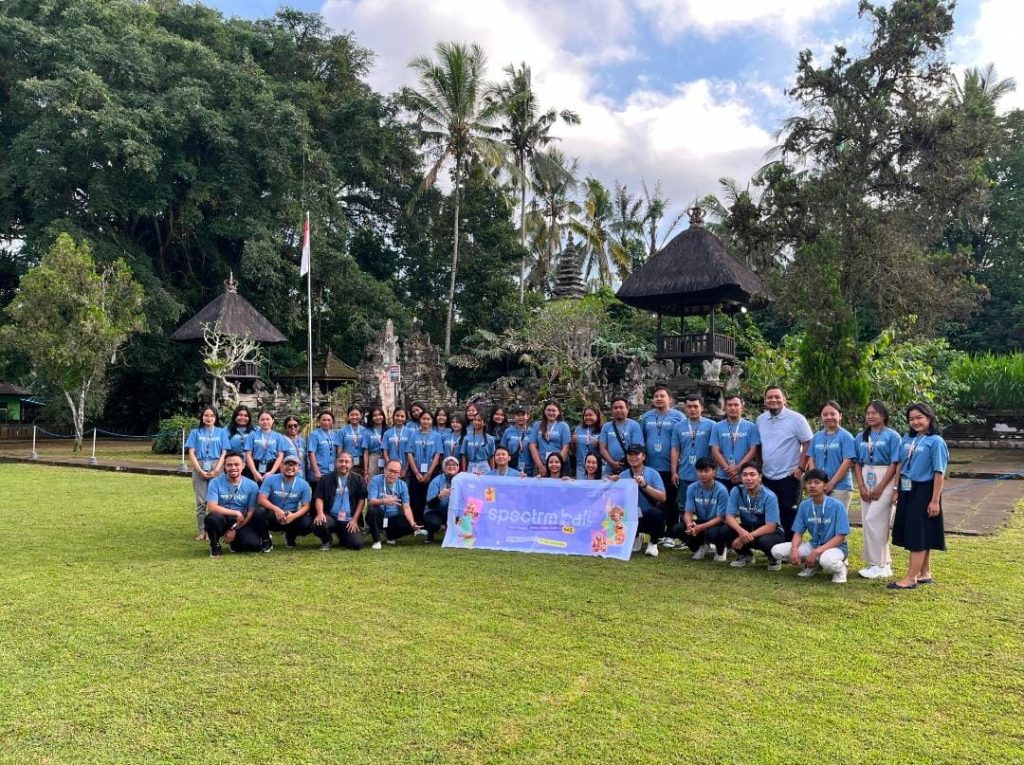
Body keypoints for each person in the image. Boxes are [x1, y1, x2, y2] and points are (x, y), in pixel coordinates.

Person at [889, 402, 949, 591]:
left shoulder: (936, 442)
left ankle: (910, 578)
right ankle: (924, 573)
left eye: (919, 418)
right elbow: (901, 465)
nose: (915, 422)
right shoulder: (907, 438)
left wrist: (934, 500)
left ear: (929, 418)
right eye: (911, 419)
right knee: (918, 530)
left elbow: (939, 472)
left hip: (925, 490)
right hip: (907, 488)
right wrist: (896, 488)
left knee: (918, 532)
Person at [770, 469, 850, 583]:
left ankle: (841, 569)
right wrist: (794, 549)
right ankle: (812, 565)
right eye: (809, 482)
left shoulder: (837, 506)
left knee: (827, 561)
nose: (812, 486)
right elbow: (798, 532)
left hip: (835, 548)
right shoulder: (804, 505)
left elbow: (840, 537)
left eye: (817, 482)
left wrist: (816, 552)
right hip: (814, 545)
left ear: (825, 486)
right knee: (776, 551)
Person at [853, 400, 902, 579]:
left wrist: (883, 486)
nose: (871, 416)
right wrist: (861, 486)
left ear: (884, 415)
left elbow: (895, 463)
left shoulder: (892, 436)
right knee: (868, 520)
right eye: (868, 413)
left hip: (885, 476)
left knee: (877, 520)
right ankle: (881, 563)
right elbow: (856, 463)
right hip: (866, 475)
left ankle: (879, 564)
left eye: (875, 413)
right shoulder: (861, 437)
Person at [756, 386, 813, 535]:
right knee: (770, 513)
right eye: (770, 397)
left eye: (777, 397)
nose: (773, 400)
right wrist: (759, 468)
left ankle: (790, 547)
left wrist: (801, 468)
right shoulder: (760, 420)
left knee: (790, 514)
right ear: (765, 401)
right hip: (768, 476)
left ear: (784, 400)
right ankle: (774, 547)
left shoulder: (797, 419)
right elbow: (760, 446)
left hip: (789, 476)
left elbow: (808, 442)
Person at [707, 462, 784, 569]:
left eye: (752, 474)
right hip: (747, 528)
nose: (748, 478)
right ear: (741, 477)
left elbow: (771, 526)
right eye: (745, 475)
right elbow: (729, 516)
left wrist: (746, 537)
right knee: (725, 530)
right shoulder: (736, 491)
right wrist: (740, 531)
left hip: (769, 532)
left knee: (765, 542)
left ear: (760, 477)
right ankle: (746, 555)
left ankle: (773, 558)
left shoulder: (769, 496)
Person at [670, 394, 715, 536]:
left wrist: (714, 471)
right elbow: (675, 449)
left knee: (707, 507)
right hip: (685, 473)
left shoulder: (711, 425)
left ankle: (708, 536)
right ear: (685, 408)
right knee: (684, 507)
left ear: (702, 407)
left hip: (705, 475)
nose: (692, 409)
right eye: (689, 407)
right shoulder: (679, 426)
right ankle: (688, 534)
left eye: (695, 406)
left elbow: (714, 450)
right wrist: (673, 471)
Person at [204, 452, 264, 557]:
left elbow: (250, 512)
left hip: (240, 521)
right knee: (212, 518)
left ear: (243, 466)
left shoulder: (252, 485)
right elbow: (212, 507)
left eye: (237, 464)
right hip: (221, 518)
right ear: (224, 466)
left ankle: (235, 543)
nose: (233, 468)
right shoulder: (215, 482)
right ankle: (215, 545)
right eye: (229, 465)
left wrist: (234, 529)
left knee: (253, 545)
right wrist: (235, 512)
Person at [669, 457, 728, 561]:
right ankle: (701, 546)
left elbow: (721, 518)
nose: (703, 474)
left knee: (713, 532)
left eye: (706, 471)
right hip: (701, 521)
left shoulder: (721, 490)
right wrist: (689, 524)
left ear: (714, 472)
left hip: (717, 523)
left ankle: (722, 549)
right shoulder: (692, 487)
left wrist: (700, 527)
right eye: (700, 471)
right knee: (678, 529)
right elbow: (688, 512)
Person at [185, 405, 230, 541]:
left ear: (216, 418)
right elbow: (191, 452)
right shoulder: (195, 432)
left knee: (219, 500)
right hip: (200, 464)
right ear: (202, 417)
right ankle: (202, 531)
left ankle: (217, 530)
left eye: (212, 415)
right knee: (201, 502)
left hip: (217, 465)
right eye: (206, 415)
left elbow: (224, 451)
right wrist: (199, 469)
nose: (209, 418)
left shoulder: (221, 432)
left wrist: (217, 468)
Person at [312, 451, 368, 551]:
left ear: (351, 464)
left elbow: (361, 500)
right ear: (336, 462)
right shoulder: (325, 479)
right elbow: (318, 497)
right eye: (341, 461)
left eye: (347, 462)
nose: (343, 464)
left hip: (349, 519)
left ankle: (342, 536)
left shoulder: (358, 479)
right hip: (331, 517)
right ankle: (327, 540)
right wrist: (320, 513)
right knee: (319, 523)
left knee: (356, 545)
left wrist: (355, 519)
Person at [258, 454, 315, 549]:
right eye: (287, 464)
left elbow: (306, 506)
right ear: (281, 466)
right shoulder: (270, 479)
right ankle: (266, 540)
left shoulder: (304, 484)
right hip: (273, 514)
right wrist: (276, 509)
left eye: (293, 465)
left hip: (291, 514)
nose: (290, 467)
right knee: (259, 512)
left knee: (308, 522)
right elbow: (261, 499)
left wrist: (293, 516)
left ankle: (290, 536)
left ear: (298, 468)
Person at [806, 401, 857, 508]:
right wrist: (815, 482)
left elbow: (847, 462)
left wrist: (831, 483)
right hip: (819, 487)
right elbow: (811, 459)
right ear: (821, 417)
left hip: (840, 487)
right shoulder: (817, 437)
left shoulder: (846, 437)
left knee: (835, 520)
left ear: (840, 415)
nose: (829, 417)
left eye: (832, 414)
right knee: (819, 520)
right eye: (825, 414)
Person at [640, 386, 683, 509]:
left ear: (670, 399)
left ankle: (671, 527)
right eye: (656, 396)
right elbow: (642, 439)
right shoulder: (646, 417)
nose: (658, 398)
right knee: (652, 501)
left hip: (670, 467)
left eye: (662, 396)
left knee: (671, 501)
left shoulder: (679, 416)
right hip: (651, 466)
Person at [366, 459, 423, 549]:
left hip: (392, 518)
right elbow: (371, 501)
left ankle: (390, 536)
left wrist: (412, 524)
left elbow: (406, 507)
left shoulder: (403, 485)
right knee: (372, 509)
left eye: (396, 472)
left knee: (409, 525)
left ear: (400, 474)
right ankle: (376, 540)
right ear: (385, 470)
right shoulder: (376, 480)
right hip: (378, 516)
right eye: (390, 470)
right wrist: (384, 501)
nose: (392, 474)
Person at [621, 445, 666, 558]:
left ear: (643, 456)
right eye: (630, 455)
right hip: (631, 516)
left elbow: (662, 497)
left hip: (648, 516)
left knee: (655, 513)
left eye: (636, 454)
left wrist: (645, 485)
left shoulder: (653, 473)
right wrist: (611, 482)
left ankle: (653, 543)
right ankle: (635, 537)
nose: (633, 457)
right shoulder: (623, 475)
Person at [710, 394, 760, 489]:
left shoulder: (751, 427)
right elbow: (715, 450)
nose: (733, 408)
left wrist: (738, 468)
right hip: (722, 475)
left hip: (744, 475)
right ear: (725, 407)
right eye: (729, 405)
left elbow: (753, 450)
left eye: (736, 405)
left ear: (742, 407)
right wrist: (728, 470)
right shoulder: (717, 427)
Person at [406, 409, 443, 522]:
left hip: (431, 472)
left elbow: (437, 455)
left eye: (428, 419)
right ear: (420, 420)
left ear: (432, 421)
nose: (425, 421)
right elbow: (409, 453)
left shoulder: (436, 436)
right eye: (423, 419)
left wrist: (429, 473)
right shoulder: (413, 434)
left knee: (428, 496)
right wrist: (416, 472)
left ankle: (427, 520)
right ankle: (416, 522)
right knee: (415, 497)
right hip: (416, 471)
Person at [599, 398, 644, 477]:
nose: (618, 410)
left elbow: (637, 448)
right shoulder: (606, 427)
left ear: (627, 409)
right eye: (615, 408)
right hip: (610, 469)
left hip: (630, 469)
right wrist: (612, 463)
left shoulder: (634, 426)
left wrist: (627, 461)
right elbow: (602, 448)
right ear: (612, 410)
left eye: (621, 407)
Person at [529, 401, 571, 477]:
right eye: (548, 410)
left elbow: (566, 447)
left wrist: (557, 464)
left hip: (560, 466)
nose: (551, 413)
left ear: (558, 412)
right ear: (544, 411)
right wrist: (540, 466)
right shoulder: (537, 425)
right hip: (542, 464)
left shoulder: (563, 426)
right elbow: (532, 446)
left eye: (554, 410)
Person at [244, 410, 287, 484]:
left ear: (272, 420)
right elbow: (248, 455)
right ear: (258, 421)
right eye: (262, 419)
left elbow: (280, 456)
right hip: (255, 466)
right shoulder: (252, 435)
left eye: (268, 419)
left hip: (272, 466)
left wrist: (272, 472)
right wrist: (254, 472)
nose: (265, 422)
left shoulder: (278, 436)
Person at [425, 456, 460, 542]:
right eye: (448, 465)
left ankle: (456, 535)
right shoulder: (436, 481)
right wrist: (440, 496)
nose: (451, 466)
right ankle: (430, 535)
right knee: (433, 523)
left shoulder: (461, 480)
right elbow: (430, 504)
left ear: (458, 467)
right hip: (437, 511)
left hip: (455, 512)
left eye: (454, 464)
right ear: (444, 468)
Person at [307, 410, 338, 483]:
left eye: (328, 420)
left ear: (332, 421)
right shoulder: (314, 435)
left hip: (332, 472)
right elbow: (311, 454)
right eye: (323, 420)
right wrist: (316, 471)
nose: (326, 422)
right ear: (319, 421)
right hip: (319, 473)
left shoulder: (334, 435)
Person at [572, 405, 602, 479]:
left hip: (596, 467)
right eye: (585, 415)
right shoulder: (578, 429)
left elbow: (607, 448)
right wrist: (573, 442)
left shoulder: (602, 429)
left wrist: (598, 444)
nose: (588, 417)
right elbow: (573, 450)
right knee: (582, 489)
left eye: (590, 415)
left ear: (597, 416)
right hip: (581, 466)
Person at [501, 406, 532, 475]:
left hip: (529, 470)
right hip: (512, 469)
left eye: (523, 415)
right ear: (514, 417)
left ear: (528, 416)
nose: (521, 417)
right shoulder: (508, 431)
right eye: (518, 415)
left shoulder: (532, 432)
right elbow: (502, 449)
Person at [337, 405, 366, 472]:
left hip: (362, 461)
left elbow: (366, 450)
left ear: (361, 416)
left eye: (357, 415)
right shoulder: (342, 431)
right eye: (352, 415)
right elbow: (339, 450)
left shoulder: (365, 430)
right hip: (347, 462)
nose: (354, 417)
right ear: (348, 416)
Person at [383, 408, 411, 477]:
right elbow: (385, 451)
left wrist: (405, 469)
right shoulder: (387, 433)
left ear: (406, 418)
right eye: (397, 415)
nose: (399, 418)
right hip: (391, 467)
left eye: (402, 416)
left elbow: (411, 453)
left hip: (405, 466)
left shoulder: (410, 432)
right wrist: (389, 466)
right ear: (393, 416)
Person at [364, 407, 388, 480]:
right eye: (375, 415)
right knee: (372, 480)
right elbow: (366, 452)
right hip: (373, 458)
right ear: (371, 417)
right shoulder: (367, 432)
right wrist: (365, 470)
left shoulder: (388, 430)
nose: (378, 417)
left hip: (386, 457)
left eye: (380, 415)